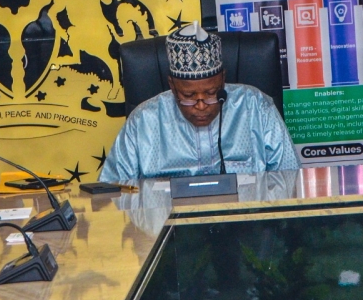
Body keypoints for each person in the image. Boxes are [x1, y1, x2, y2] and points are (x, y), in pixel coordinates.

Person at [99, 23, 300, 181]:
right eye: (188, 96)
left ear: (223, 79)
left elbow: (290, 179)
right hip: (166, 229)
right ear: (172, 85)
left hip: (247, 226)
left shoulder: (256, 106)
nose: (202, 105)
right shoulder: (143, 121)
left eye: (212, 93)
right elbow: (113, 190)